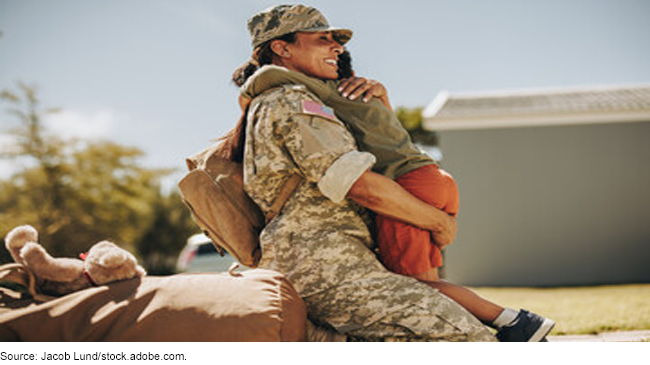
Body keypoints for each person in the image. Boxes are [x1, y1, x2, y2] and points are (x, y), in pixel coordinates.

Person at [222, 4, 552, 341]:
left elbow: (386, 152)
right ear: (282, 47)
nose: (337, 47)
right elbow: (360, 186)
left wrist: (380, 105)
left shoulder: (292, 98)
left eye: (337, 40)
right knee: (464, 337)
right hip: (326, 269)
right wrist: (439, 222)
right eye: (323, 39)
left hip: (341, 264)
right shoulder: (290, 100)